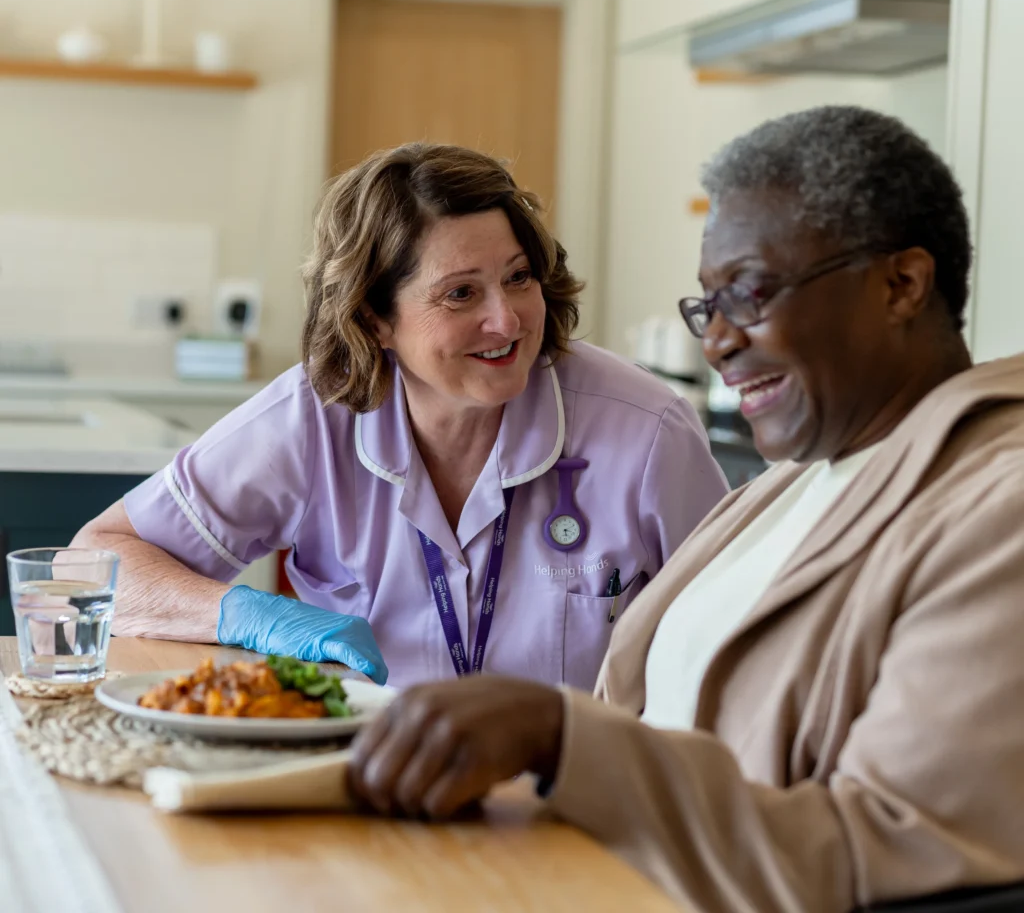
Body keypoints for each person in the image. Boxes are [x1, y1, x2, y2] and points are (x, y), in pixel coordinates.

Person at [345, 107, 1024, 912]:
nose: (719, 340)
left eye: (751, 291)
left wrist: (562, 740)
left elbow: (890, 853)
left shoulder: (998, 509)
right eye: (709, 306)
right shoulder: (795, 483)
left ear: (901, 285)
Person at [73, 143, 727, 690]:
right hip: (358, 785)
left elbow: (737, 638)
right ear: (373, 318)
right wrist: (249, 615)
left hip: (576, 804)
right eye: (461, 293)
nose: (507, 320)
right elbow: (93, 565)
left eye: (520, 277)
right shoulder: (311, 419)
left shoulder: (647, 431)